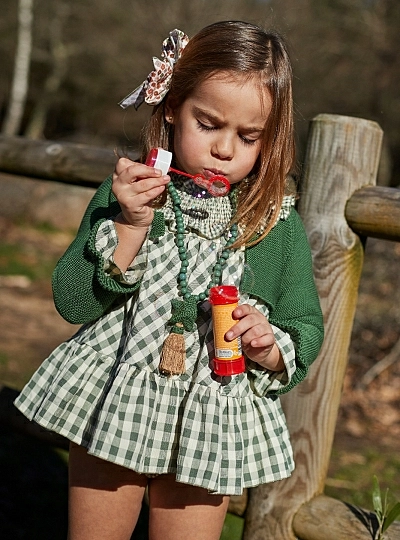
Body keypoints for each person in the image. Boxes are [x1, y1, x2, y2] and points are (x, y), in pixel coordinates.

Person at [15, 21, 324, 540]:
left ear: (270, 140)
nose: (225, 149)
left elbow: (305, 324)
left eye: (248, 137)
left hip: (210, 419)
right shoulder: (132, 195)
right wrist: (130, 227)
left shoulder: (274, 224)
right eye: (208, 124)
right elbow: (71, 299)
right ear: (172, 107)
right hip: (116, 402)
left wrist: (269, 347)